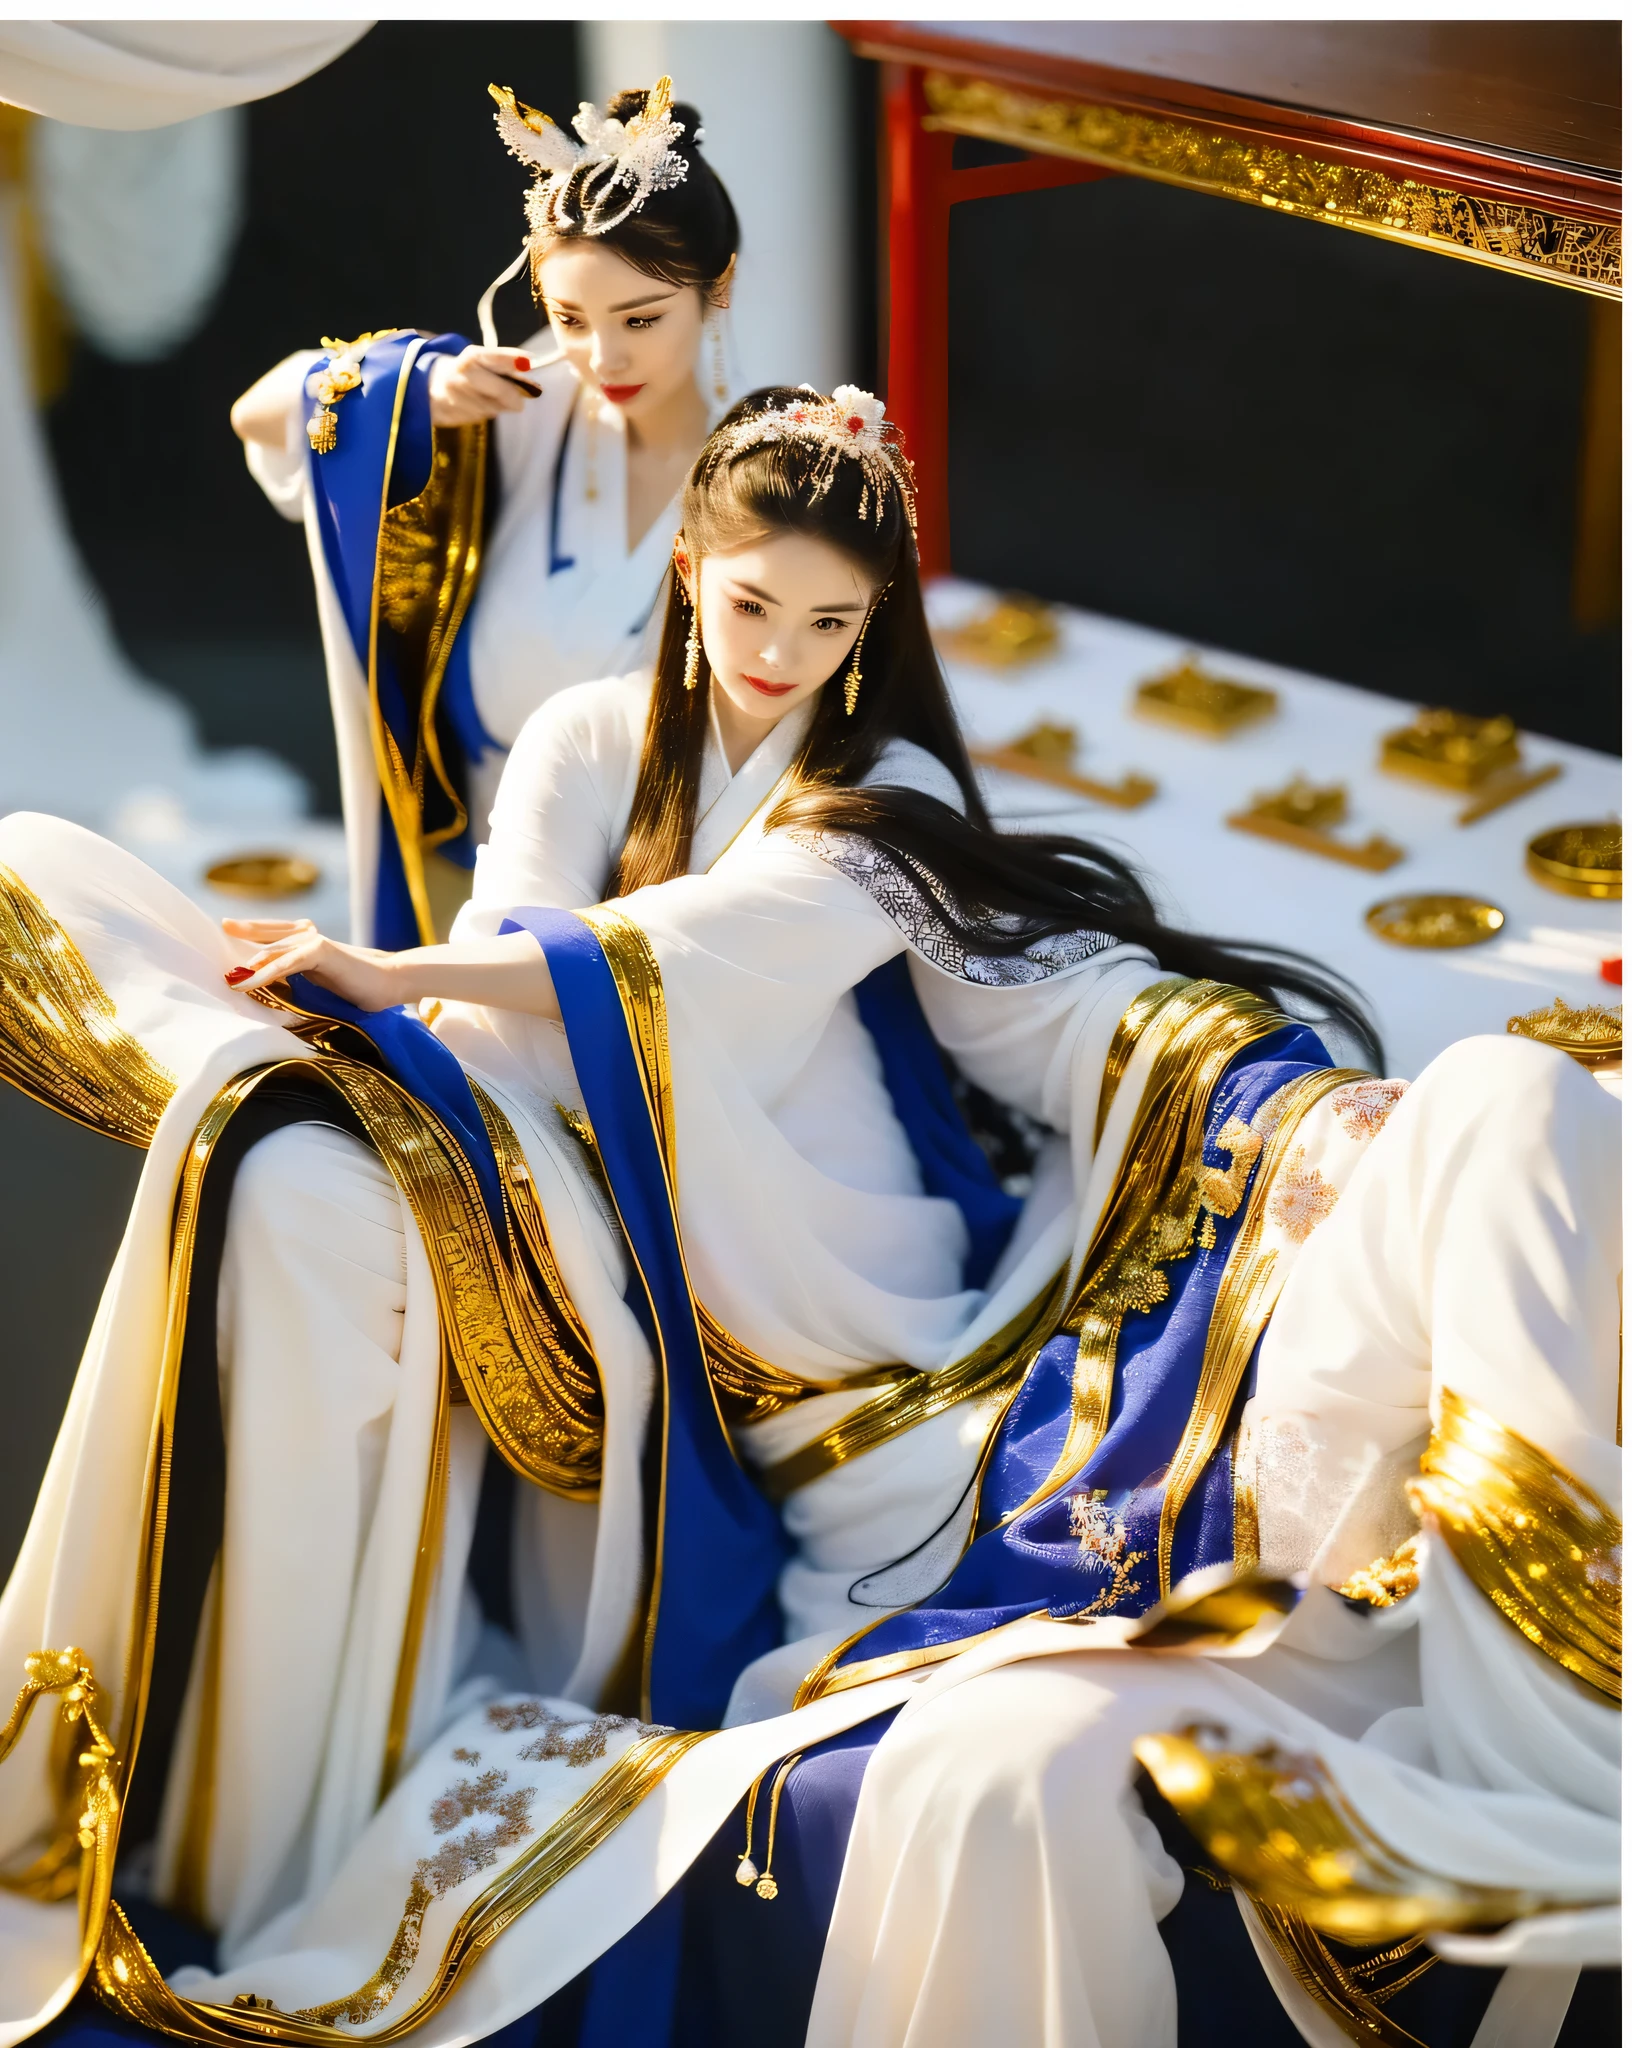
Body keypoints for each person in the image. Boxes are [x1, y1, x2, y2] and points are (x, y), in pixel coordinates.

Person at [0, 388, 1617, 2046]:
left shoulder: (874, 785)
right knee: (288, 1153)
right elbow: (520, 986)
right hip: (795, 1411)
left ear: (870, 630)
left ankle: (1546, 1734)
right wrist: (387, 1010)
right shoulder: (577, 742)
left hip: (947, 1307)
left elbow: (791, 958)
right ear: (689, 566)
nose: (780, 653)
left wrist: (1263, 1095)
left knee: (1509, 1104)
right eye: (753, 602)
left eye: (830, 622)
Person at [229, 77, 741, 949]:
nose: (602, 355)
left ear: (718, 287)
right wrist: (411, 385)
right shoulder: (521, 409)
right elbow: (259, 414)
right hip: (472, 874)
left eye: (641, 318)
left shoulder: (768, 463)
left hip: (663, 909)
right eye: (570, 317)